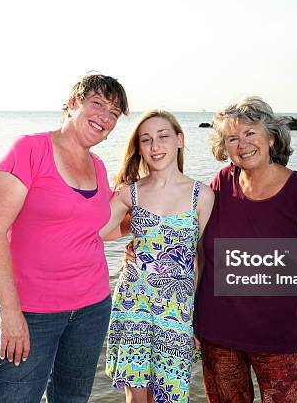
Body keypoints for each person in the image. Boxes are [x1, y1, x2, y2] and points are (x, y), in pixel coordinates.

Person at [0, 74, 128, 403]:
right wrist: (10, 312)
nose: (105, 117)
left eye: (114, 113)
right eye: (98, 104)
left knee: (72, 400)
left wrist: (148, 224)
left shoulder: (99, 166)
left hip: (92, 308)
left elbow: (98, 231)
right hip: (31, 312)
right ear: (73, 104)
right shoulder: (30, 149)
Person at [193, 96, 297, 403]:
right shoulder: (221, 183)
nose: (242, 144)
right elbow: (200, 251)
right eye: (232, 137)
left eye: (250, 133)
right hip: (217, 330)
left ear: (270, 137)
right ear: (225, 147)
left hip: (280, 334)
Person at [100, 110, 214, 403]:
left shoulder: (201, 195)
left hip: (177, 308)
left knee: (170, 394)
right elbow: (100, 231)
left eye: (163, 136)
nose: (155, 146)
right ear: (139, 148)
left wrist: (196, 319)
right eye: (146, 140)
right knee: (137, 397)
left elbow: (201, 259)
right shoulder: (130, 193)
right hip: (133, 302)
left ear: (179, 140)